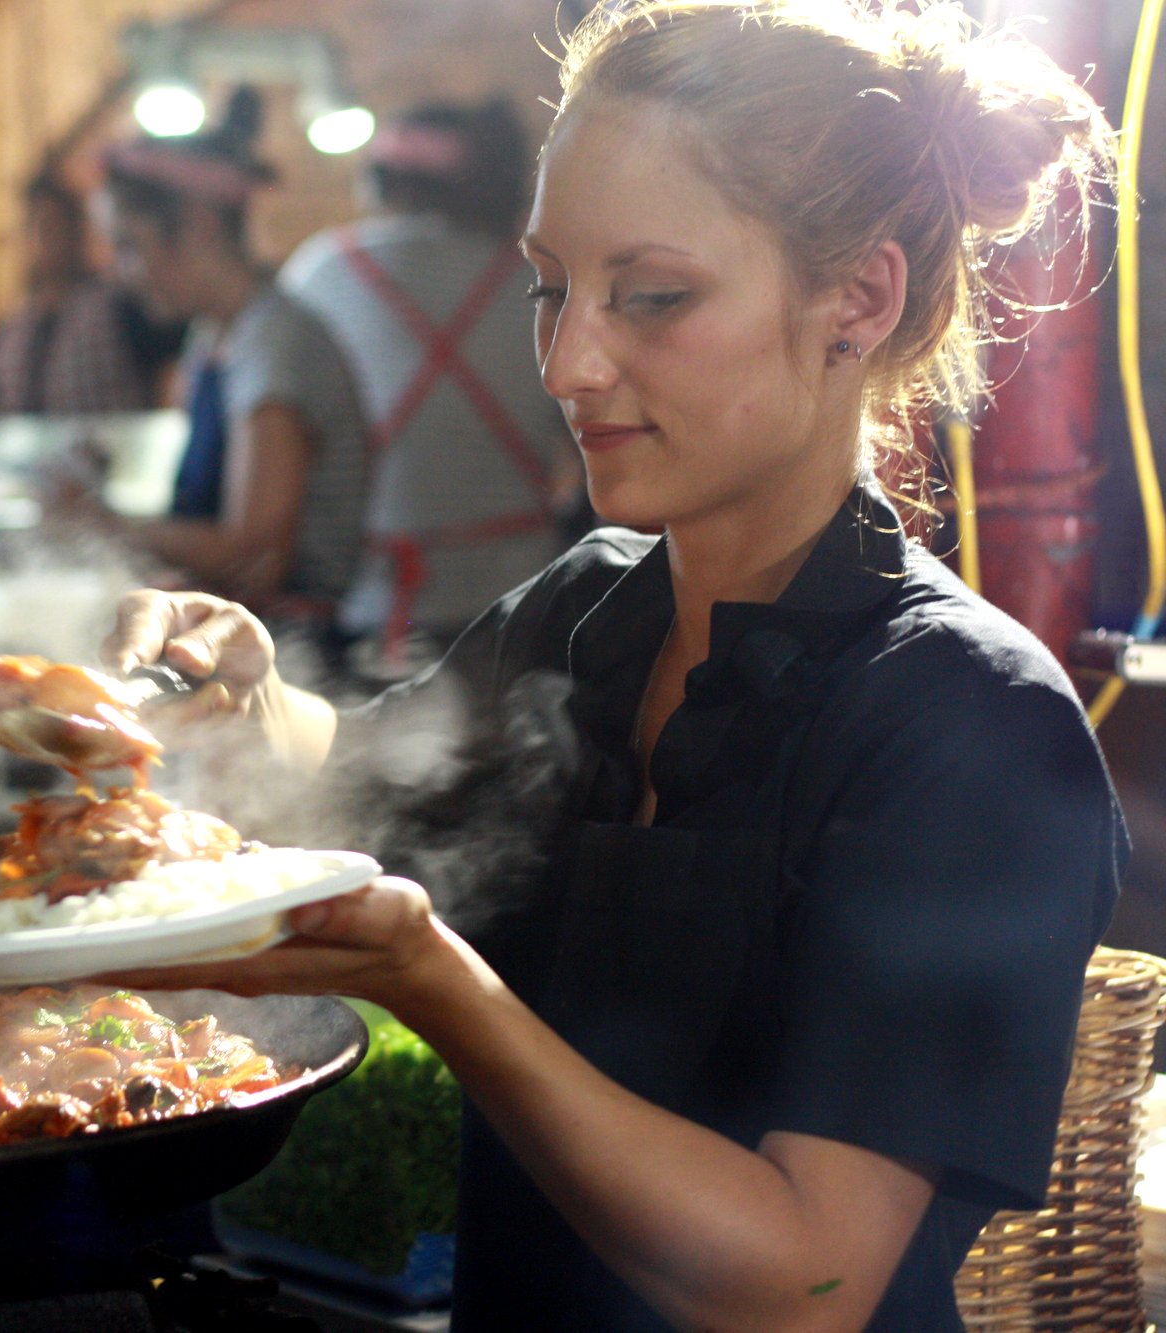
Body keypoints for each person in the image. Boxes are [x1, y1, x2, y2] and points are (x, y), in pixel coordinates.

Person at [98, 3, 1123, 1328]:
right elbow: (366, 778)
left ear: (858, 298)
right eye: (553, 288)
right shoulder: (589, 613)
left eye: (654, 297)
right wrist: (244, 692)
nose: (572, 361)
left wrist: (437, 985)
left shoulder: (971, 727)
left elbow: (800, 1284)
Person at [282, 99, 583, 668]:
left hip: (368, 605)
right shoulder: (536, 284)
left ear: (381, 182)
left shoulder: (320, 272)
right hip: (521, 602)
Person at [80, 90, 371, 675]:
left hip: (294, 658)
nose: (123, 273)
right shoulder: (213, 340)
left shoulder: (273, 343)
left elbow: (253, 552)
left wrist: (100, 521)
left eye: (131, 245)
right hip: (238, 643)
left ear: (202, 227)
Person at [0, 170, 180, 415]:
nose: (46, 239)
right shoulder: (5, 334)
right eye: (37, 227)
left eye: (55, 225)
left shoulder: (119, 309)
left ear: (76, 231)